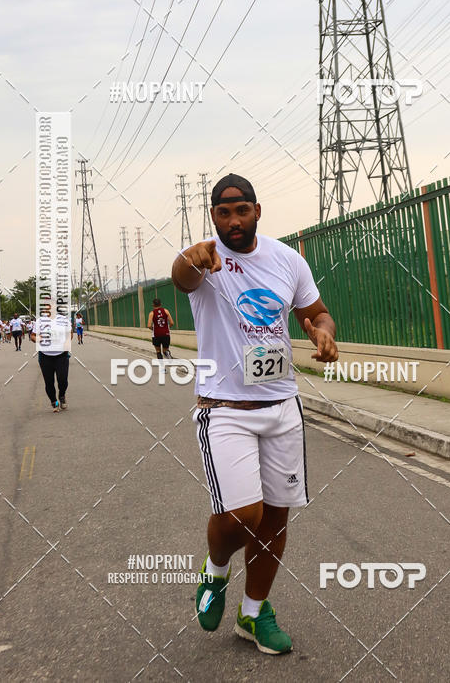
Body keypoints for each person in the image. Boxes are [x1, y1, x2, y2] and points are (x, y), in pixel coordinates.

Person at [172, 173, 338, 656]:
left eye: (241, 210)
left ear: (257, 211)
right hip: (224, 410)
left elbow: (318, 311)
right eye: (223, 213)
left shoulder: (288, 260)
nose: (233, 221)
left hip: (282, 406)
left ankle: (253, 611)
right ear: (213, 217)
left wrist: (323, 332)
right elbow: (181, 274)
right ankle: (216, 569)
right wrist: (190, 257)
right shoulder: (204, 260)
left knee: (275, 519)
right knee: (243, 514)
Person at [31, 312, 73, 412]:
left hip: (61, 355)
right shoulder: (40, 321)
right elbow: (32, 336)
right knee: (49, 382)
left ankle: (62, 395)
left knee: (62, 380)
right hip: (45, 356)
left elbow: (70, 333)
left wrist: (67, 342)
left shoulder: (63, 320)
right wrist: (37, 339)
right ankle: (54, 402)